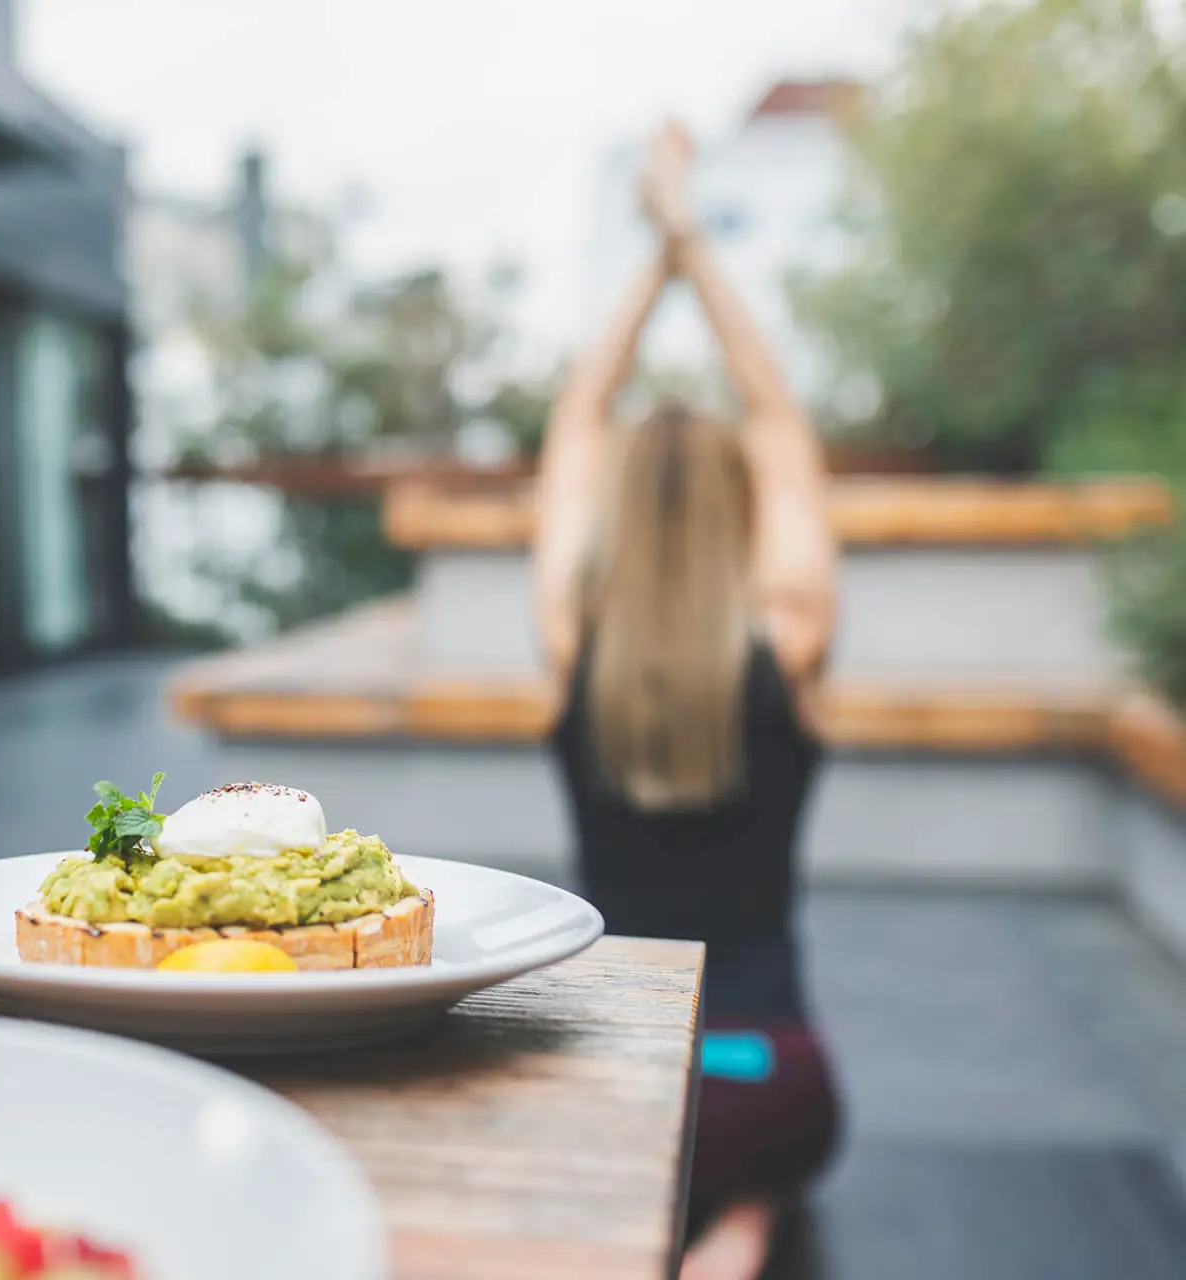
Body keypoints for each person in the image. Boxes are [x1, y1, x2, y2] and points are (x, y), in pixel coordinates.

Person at [529, 121, 845, 1280]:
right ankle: (741, 1224)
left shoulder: (573, 634)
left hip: (612, 1072)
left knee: (624, 1161)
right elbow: (779, 423)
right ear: (740, 514)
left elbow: (574, 420)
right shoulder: (795, 630)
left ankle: (665, 1223)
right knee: (738, 1170)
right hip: (768, 1083)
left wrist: (648, 255)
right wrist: (692, 242)